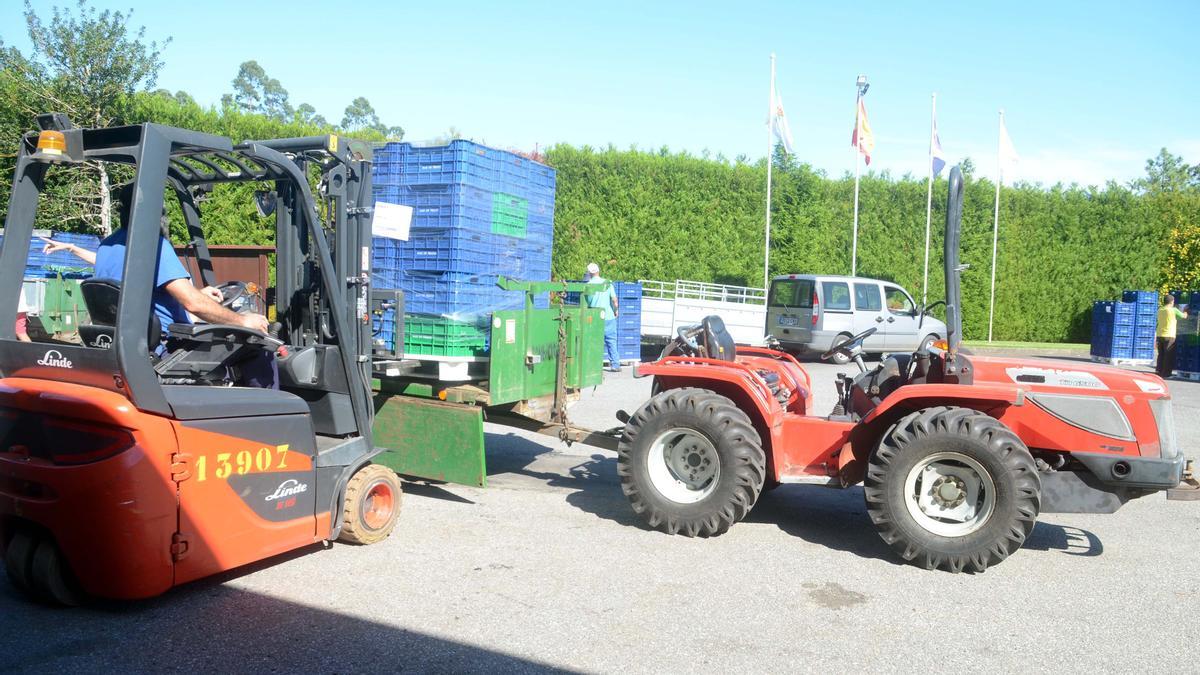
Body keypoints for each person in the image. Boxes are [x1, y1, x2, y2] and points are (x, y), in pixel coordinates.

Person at [43, 183, 276, 388]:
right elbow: (193, 304)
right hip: (167, 348)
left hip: (130, 345)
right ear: (157, 212)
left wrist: (198, 293)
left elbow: (151, 291)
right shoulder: (153, 245)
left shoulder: (107, 247)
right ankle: (270, 423)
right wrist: (243, 321)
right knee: (259, 348)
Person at [584, 262, 621, 373]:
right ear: (599, 271)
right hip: (609, 317)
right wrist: (616, 311)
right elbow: (614, 300)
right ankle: (615, 365)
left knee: (594, 342)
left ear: (589, 273)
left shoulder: (588, 285)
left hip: (595, 317)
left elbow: (586, 303)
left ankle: (594, 365)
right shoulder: (608, 283)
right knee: (611, 341)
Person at [1155, 294, 1189, 379]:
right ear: (1171, 301)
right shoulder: (1173, 310)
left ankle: (1158, 371)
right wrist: (1185, 310)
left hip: (1160, 334)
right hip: (1169, 335)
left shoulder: (1160, 309)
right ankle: (1166, 374)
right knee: (1168, 355)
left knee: (1161, 354)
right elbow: (1184, 316)